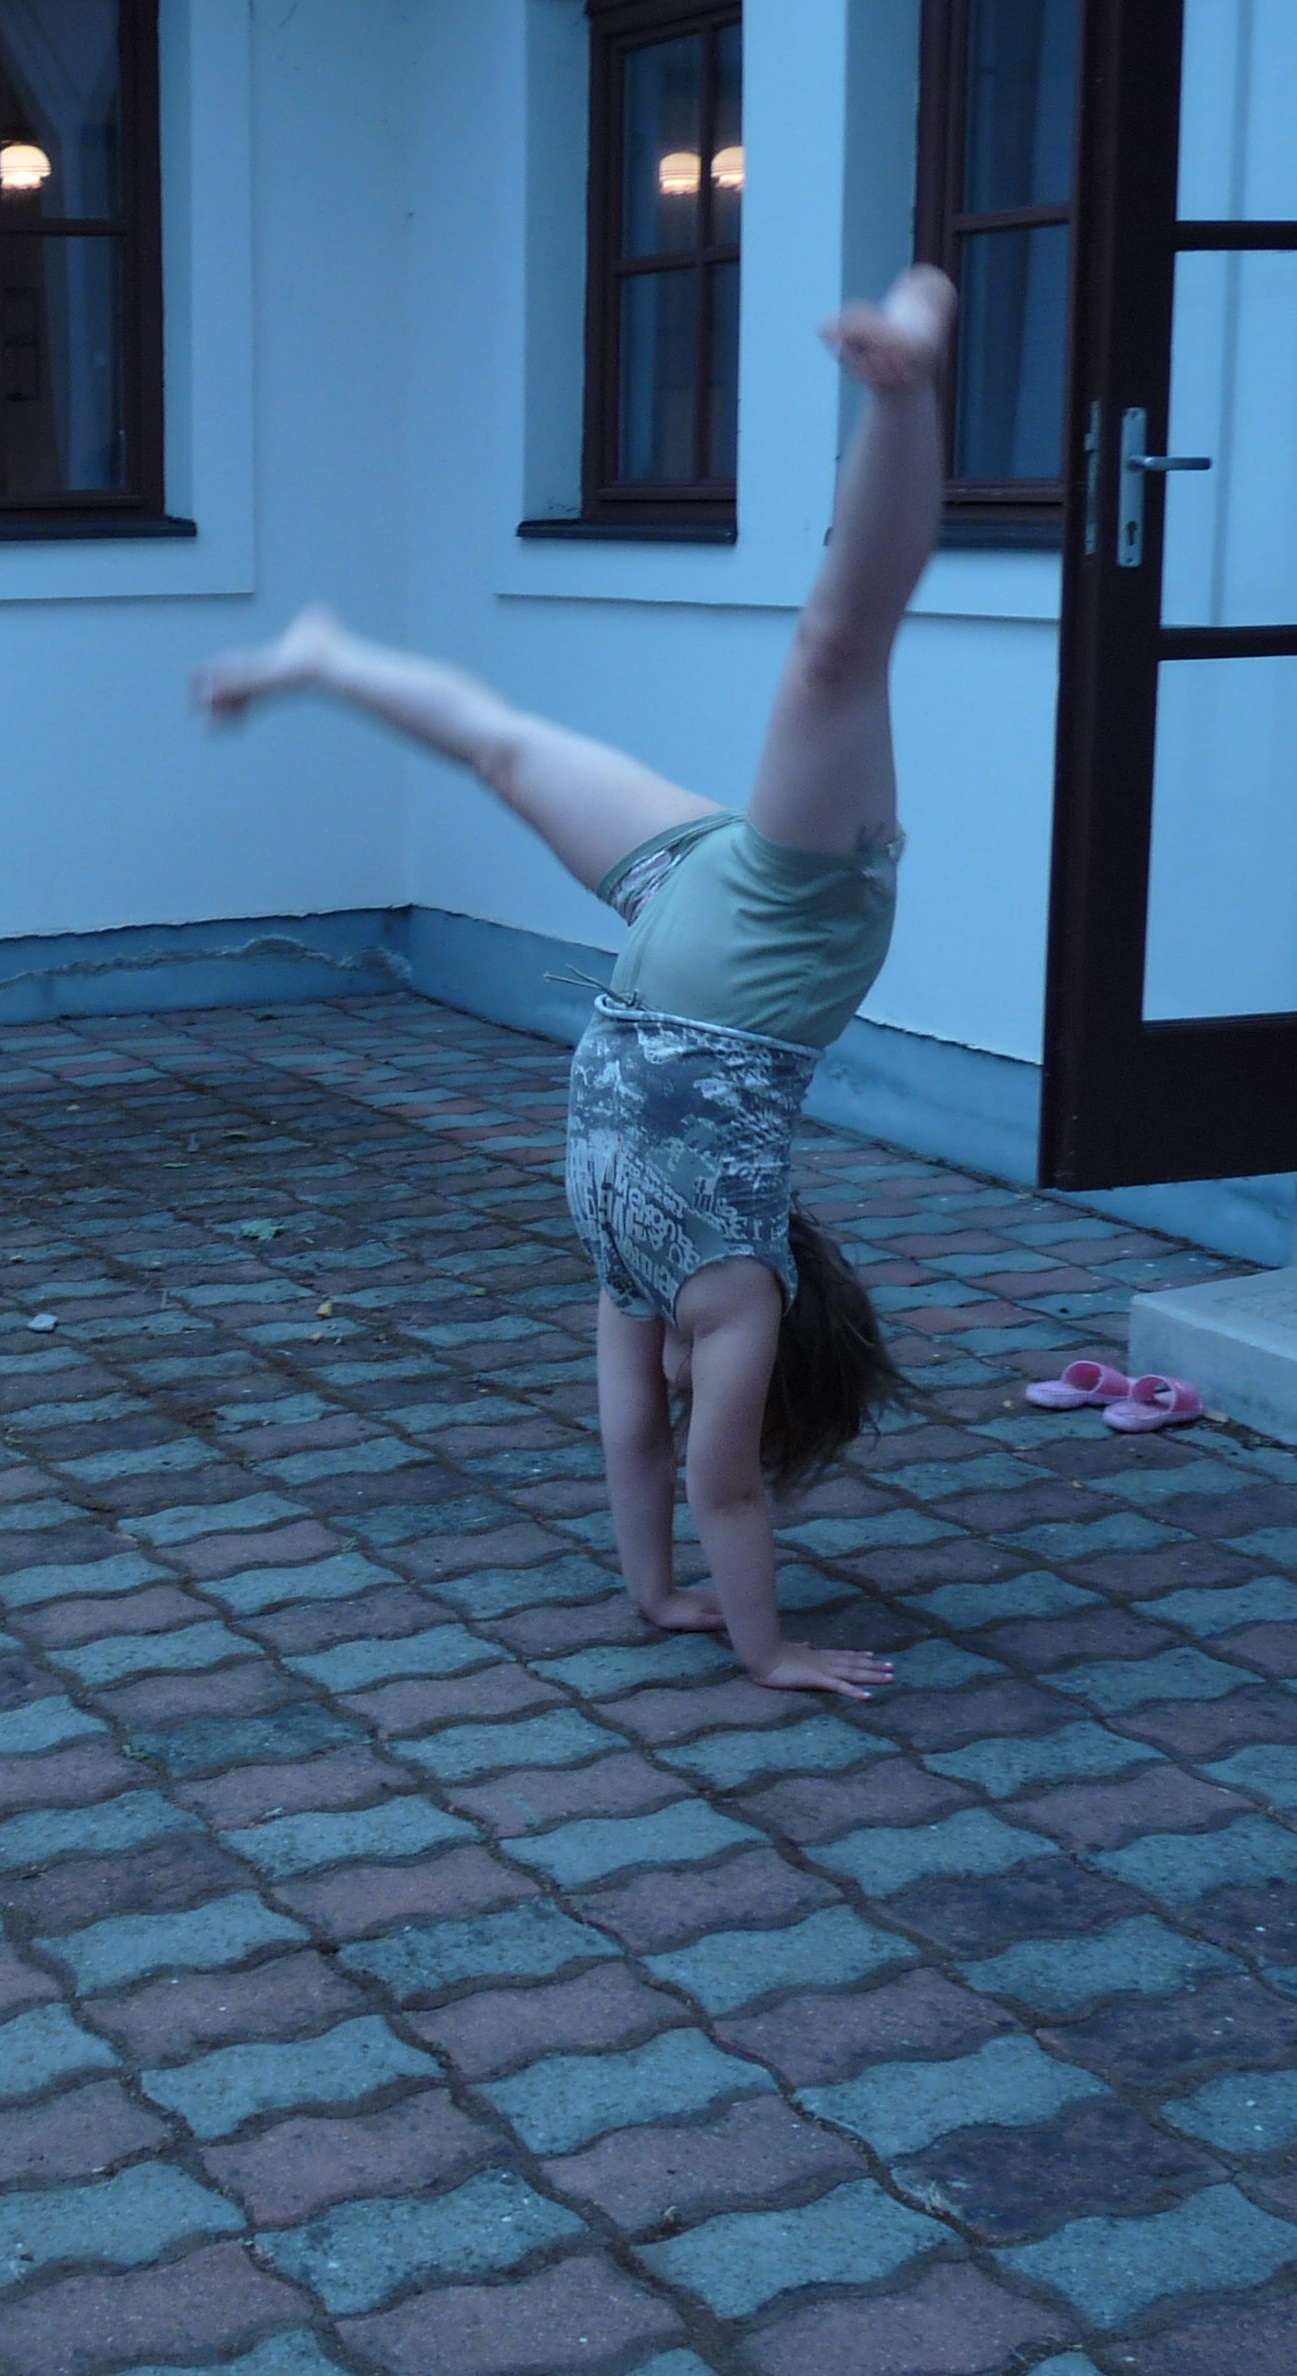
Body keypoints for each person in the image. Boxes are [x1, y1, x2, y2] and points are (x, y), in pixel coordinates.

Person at [192, 270, 952, 1701]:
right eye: (716, 1403)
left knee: (497, 750)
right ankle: (904, 384)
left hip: (681, 909)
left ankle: (325, 654)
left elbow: (629, 1445)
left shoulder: (632, 1271)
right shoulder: (733, 1289)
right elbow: (722, 1485)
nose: (679, 1405)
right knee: (835, 656)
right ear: (767, 1368)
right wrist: (768, 1649)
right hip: (792, 925)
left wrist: (655, 1596)